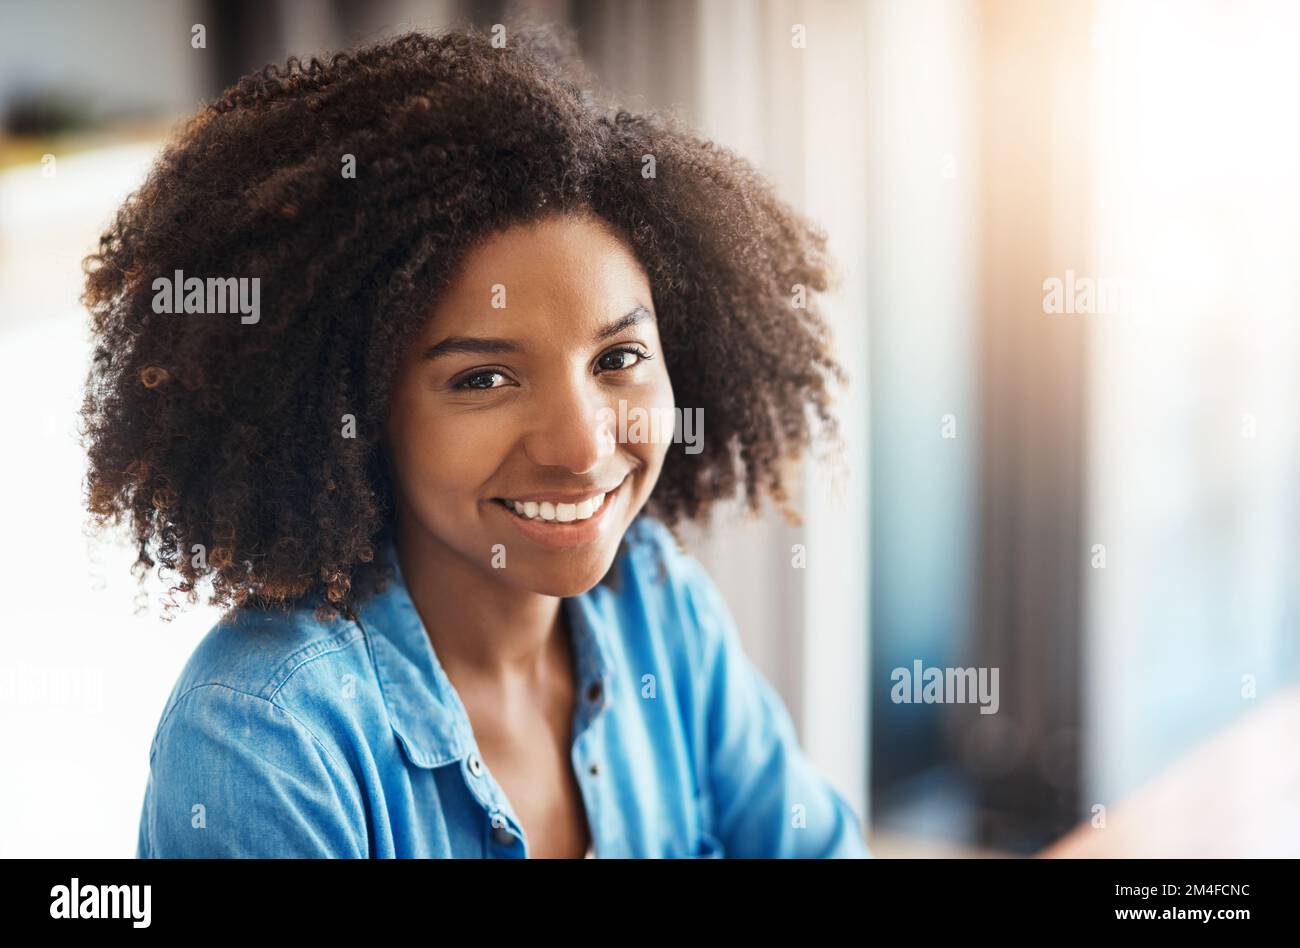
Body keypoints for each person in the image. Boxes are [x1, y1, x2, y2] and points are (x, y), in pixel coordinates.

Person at [81, 21, 867, 858]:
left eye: (620, 357)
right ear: (354, 412)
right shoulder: (263, 740)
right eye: (483, 379)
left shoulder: (658, 604)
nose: (579, 443)